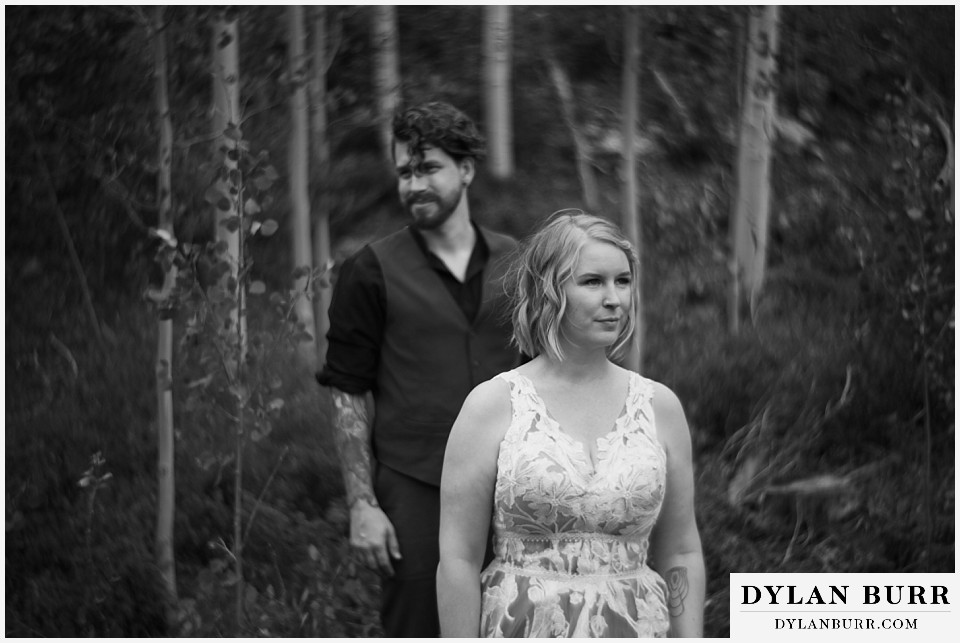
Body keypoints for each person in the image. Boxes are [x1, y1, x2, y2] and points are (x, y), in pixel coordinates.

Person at [438, 210, 705, 637]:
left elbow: (681, 550)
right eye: (592, 281)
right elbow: (458, 560)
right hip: (523, 625)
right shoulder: (492, 405)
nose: (614, 298)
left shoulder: (660, 406)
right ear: (549, 290)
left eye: (623, 280)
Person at [316, 101, 521, 638]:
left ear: (466, 170)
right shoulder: (369, 269)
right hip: (414, 489)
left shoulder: (519, 263)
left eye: (428, 168)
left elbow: (551, 371)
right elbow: (346, 390)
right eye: (405, 172)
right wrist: (362, 503)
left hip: (519, 485)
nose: (414, 184)